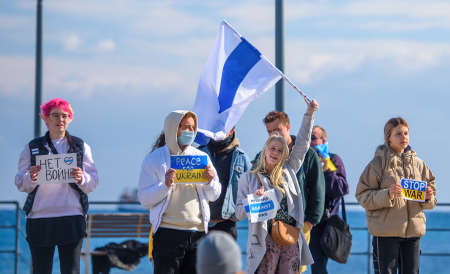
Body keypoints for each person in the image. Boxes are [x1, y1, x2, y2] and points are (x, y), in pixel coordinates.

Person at [14, 98, 99, 274]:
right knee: (40, 270)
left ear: (70, 119)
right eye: (54, 115)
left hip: (72, 215)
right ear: (45, 119)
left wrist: (81, 177)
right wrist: (31, 176)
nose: (60, 119)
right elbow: (20, 183)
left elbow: (93, 182)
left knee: (71, 270)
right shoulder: (32, 147)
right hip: (39, 217)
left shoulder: (81, 146)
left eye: (64, 115)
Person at [236, 98, 318, 274]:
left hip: (289, 236)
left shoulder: (289, 169)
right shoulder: (249, 178)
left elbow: (303, 143)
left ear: (284, 155)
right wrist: (253, 200)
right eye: (272, 148)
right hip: (264, 240)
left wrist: (309, 114)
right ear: (265, 149)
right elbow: (238, 213)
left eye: (280, 150)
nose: (275, 153)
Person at [138, 110, 221, 274]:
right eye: (184, 127)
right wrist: (166, 185)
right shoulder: (154, 159)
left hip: (197, 233)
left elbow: (214, 194)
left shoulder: (201, 157)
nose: (189, 132)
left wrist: (210, 180)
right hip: (167, 234)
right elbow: (144, 199)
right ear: (172, 128)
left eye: (192, 128)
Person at [356, 117, 436, 274]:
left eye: (406, 133)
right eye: (398, 134)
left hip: (413, 234)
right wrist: (388, 194)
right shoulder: (377, 164)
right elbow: (362, 195)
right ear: (388, 138)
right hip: (386, 234)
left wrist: (428, 197)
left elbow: (431, 199)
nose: (404, 137)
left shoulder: (419, 164)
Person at [253, 110, 326, 272]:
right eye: (270, 131)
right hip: (269, 226)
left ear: (288, 127)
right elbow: (251, 183)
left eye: (277, 130)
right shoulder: (262, 156)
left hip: (297, 225)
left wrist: (310, 221)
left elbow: (317, 189)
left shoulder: (308, 155)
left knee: (295, 268)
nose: (274, 134)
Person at [308, 125, 349, 273]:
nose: (310, 141)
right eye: (308, 137)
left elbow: (342, 188)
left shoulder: (333, 159)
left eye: (313, 137)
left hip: (324, 224)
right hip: (306, 222)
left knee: (318, 268)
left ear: (323, 140)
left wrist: (327, 172)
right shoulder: (304, 161)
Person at [199, 127, 251, 239]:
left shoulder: (241, 158)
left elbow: (251, 191)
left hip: (227, 224)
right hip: (200, 224)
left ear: (232, 130)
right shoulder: (199, 153)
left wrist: (238, 215)